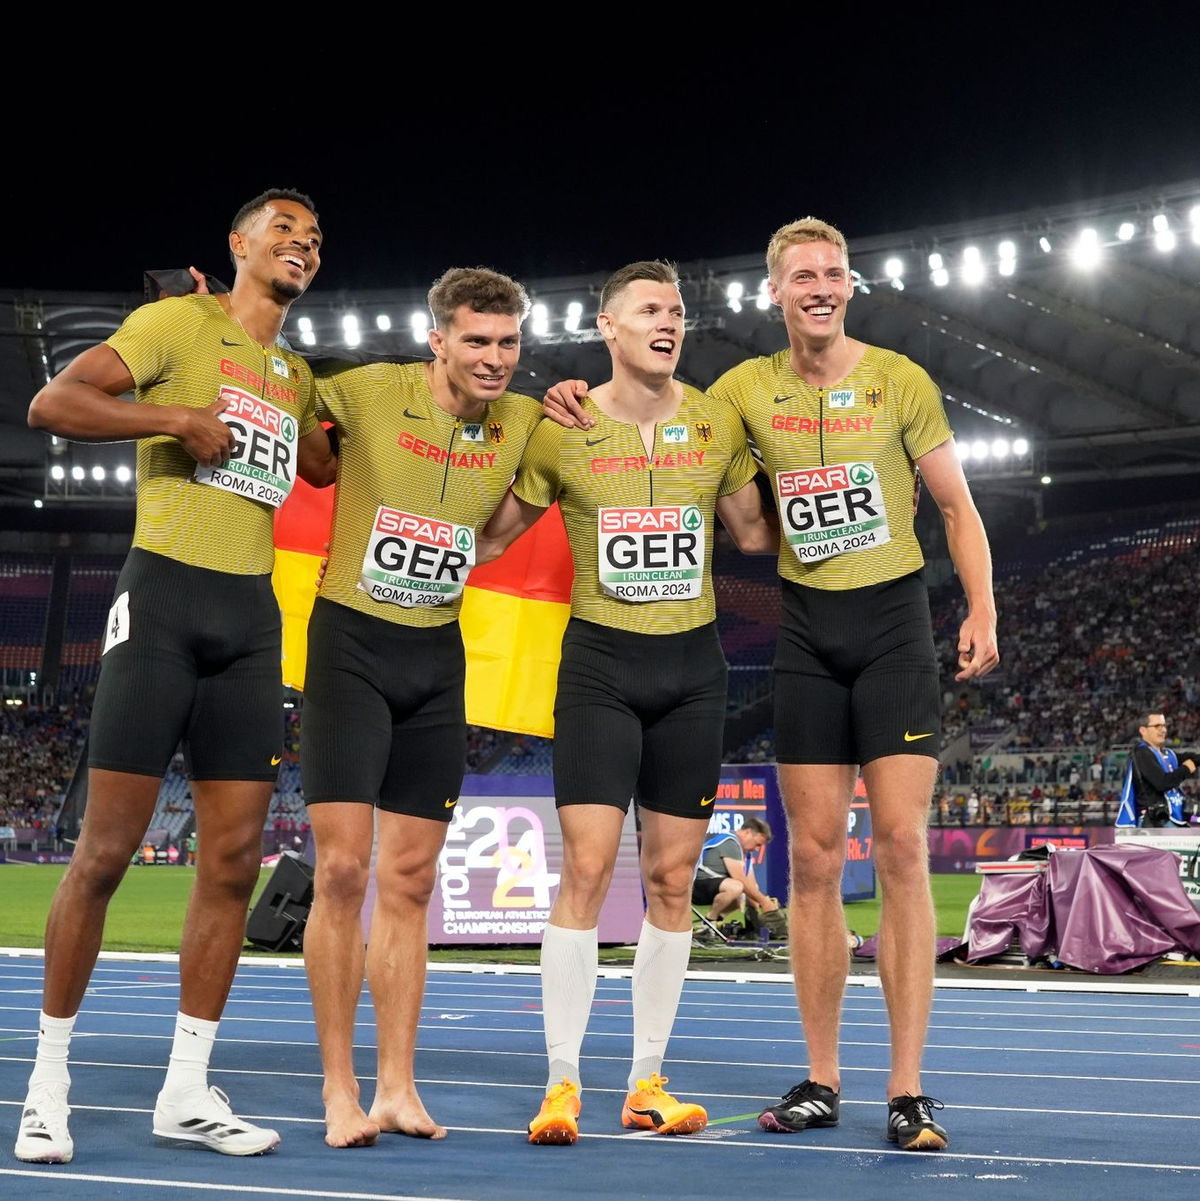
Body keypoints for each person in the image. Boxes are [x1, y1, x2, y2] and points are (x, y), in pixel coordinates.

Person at [543, 219, 999, 1151]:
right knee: (820, 860)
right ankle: (823, 1077)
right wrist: (569, 395)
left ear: (850, 287)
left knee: (904, 847)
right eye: (803, 275)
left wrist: (981, 608)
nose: (820, 286)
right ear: (777, 293)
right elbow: (726, 499)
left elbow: (955, 503)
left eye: (833, 272)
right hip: (804, 635)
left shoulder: (898, 379)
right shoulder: (741, 393)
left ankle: (906, 1086)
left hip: (893, 629)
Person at [16, 189, 334, 1164]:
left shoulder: (297, 371)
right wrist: (179, 420)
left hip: (249, 617)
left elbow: (322, 465)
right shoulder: (176, 322)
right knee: (105, 853)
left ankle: (187, 1089)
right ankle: (47, 1083)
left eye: (314, 239)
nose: (301, 245)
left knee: (233, 864)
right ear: (238, 244)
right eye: (283, 230)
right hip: (160, 604)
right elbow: (55, 402)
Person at [478, 260, 777, 1146]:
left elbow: (755, 532)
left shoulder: (717, 421)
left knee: (673, 881)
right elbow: (493, 530)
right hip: (600, 667)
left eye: (678, 310)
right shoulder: (560, 426)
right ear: (608, 328)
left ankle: (647, 1079)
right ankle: (561, 1080)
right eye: (649, 309)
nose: (669, 321)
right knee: (586, 869)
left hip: (694, 669)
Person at [299, 267, 544, 1149]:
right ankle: (339, 1089)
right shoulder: (369, 390)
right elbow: (280, 383)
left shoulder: (524, 420)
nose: (494, 358)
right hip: (351, 647)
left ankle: (399, 1087)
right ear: (436, 338)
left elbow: (549, 487)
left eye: (508, 342)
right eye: (476, 340)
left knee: (409, 883)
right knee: (340, 873)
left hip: (437, 659)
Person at [692, 817, 777, 925]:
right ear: (747, 832)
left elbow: (752, 885)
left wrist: (756, 917)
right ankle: (708, 923)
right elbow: (739, 879)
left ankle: (715, 924)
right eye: (757, 844)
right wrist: (765, 902)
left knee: (740, 897)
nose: (757, 849)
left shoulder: (746, 854)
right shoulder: (730, 842)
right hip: (694, 887)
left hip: (711, 886)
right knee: (736, 887)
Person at [1115, 712, 1195, 828]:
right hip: (1156, 821)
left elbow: (1190, 757)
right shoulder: (1142, 753)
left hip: (1172, 819)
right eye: (1157, 726)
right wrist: (1186, 769)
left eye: (1164, 726)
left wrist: (1194, 761)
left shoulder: (1166, 753)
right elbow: (1162, 783)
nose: (1163, 730)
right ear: (1143, 730)